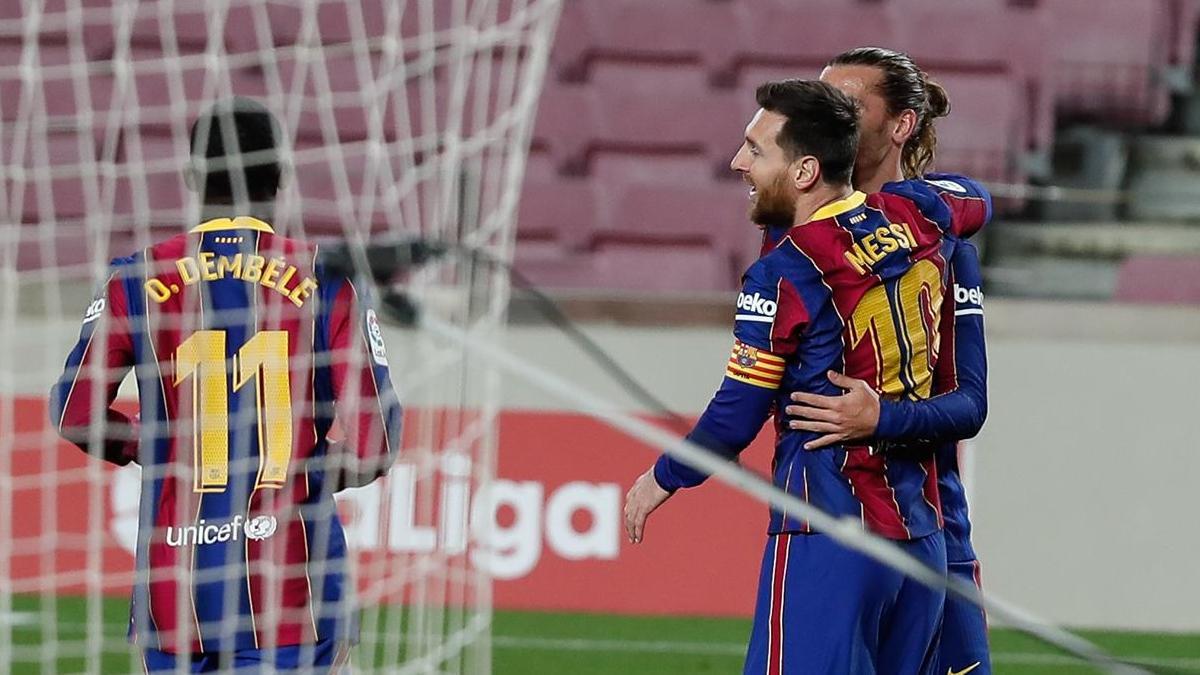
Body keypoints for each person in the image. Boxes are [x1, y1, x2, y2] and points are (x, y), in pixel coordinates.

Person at [623, 79, 990, 674]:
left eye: (755, 150)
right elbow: (974, 202)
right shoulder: (918, 216)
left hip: (829, 531)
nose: (738, 162)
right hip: (923, 542)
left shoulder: (786, 272)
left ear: (805, 171)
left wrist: (663, 477)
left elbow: (736, 414)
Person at [49, 97, 402, 673]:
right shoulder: (327, 279)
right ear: (281, 177)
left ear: (192, 177)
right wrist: (306, 469)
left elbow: (76, 414)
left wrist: (147, 443)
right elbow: (375, 442)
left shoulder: (134, 279)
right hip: (296, 595)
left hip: (175, 600)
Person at [781, 47, 992, 675]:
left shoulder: (945, 248)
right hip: (832, 532)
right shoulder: (798, 239)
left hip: (933, 529)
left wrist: (883, 419)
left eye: (847, 103)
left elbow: (970, 404)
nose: (827, 116)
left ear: (901, 125)